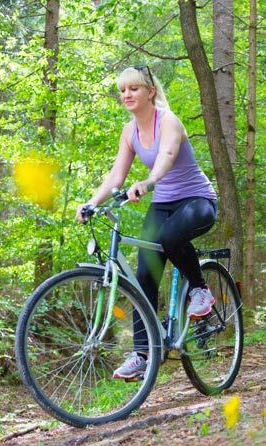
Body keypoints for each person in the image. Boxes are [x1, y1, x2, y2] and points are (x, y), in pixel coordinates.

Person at [76, 65, 218, 379]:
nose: (127, 94)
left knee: (169, 238)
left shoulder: (168, 120)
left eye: (134, 89)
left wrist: (149, 181)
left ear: (150, 92)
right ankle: (142, 354)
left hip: (197, 202)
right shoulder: (129, 131)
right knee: (144, 277)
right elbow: (116, 175)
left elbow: (167, 154)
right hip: (164, 205)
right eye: (123, 90)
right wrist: (91, 202)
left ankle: (200, 290)